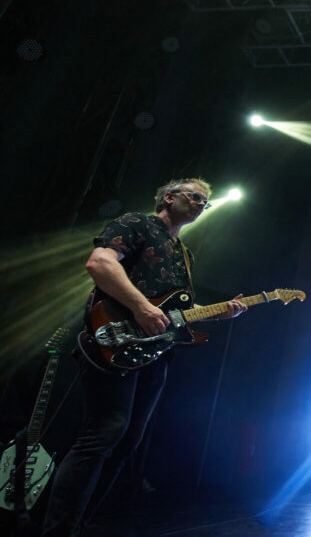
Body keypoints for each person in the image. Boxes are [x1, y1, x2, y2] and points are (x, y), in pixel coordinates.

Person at [42, 178, 247, 536]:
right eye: (195, 197)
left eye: (206, 203)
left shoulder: (185, 253)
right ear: (169, 198)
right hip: (114, 335)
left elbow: (176, 311)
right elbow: (99, 263)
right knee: (103, 434)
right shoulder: (135, 223)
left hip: (153, 351)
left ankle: (79, 526)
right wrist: (139, 307)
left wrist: (220, 312)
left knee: (125, 444)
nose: (201, 205)